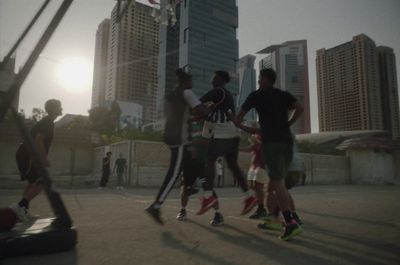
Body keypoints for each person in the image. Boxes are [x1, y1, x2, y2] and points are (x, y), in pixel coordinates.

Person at [231, 68, 304, 241]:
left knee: (277, 183)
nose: (257, 81)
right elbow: (300, 108)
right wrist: (289, 123)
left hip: (272, 143)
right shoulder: (283, 94)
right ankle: (273, 218)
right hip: (287, 142)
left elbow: (238, 118)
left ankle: (290, 222)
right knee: (272, 184)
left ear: (264, 79)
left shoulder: (256, 95)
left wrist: (238, 124)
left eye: (259, 78)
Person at [146, 69, 214, 225]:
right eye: (191, 81)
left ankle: (191, 188)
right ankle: (156, 206)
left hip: (171, 135)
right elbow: (202, 112)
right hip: (180, 139)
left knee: (195, 163)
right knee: (174, 174)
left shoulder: (170, 95)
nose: (192, 84)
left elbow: (185, 117)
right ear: (186, 82)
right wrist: (209, 107)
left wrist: (197, 114)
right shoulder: (187, 93)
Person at [197, 70, 257, 217]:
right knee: (232, 164)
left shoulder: (218, 91)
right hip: (233, 131)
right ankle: (249, 196)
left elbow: (197, 104)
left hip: (222, 131)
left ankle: (208, 196)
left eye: (214, 76)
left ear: (220, 79)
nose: (212, 78)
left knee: (208, 160)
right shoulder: (227, 94)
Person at [11, 99, 63, 222]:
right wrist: (44, 159)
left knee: (31, 183)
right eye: (60, 107)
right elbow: (39, 139)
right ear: (54, 109)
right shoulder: (48, 122)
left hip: (25, 153)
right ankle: (19, 207)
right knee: (41, 182)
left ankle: (23, 211)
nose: (62, 108)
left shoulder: (47, 121)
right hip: (28, 154)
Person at [176, 121, 221, 225]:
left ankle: (218, 214)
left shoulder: (208, 125)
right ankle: (183, 210)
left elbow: (211, 142)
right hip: (189, 164)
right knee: (185, 188)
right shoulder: (188, 126)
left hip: (203, 164)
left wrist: (195, 144)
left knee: (209, 190)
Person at [240, 132, 268, 219]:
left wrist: (254, 138)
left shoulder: (263, 141)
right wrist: (236, 149)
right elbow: (248, 148)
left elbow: (260, 143)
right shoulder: (255, 145)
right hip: (253, 167)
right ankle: (259, 203)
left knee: (259, 188)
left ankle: (261, 209)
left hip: (260, 167)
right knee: (252, 186)